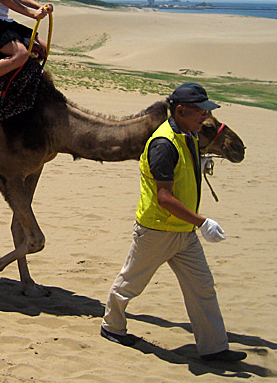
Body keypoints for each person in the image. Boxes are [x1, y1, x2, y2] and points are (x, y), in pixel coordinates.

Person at [100, 83, 247, 363]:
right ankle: (112, 327)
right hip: (158, 230)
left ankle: (215, 347)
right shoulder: (163, 144)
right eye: (200, 112)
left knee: (202, 287)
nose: (204, 117)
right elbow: (164, 197)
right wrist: (203, 223)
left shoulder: (188, 137)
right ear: (181, 111)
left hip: (184, 232)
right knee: (130, 283)